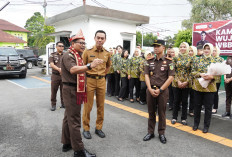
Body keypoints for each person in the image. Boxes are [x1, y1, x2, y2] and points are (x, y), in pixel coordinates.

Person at [61, 29, 102, 157]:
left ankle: (67, 142)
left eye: (84, 43)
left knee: (68, 118)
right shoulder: (69, 55)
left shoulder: (76, 55)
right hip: (71, 90)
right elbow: (73, 70)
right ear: (72, 44)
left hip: (73, 89)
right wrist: (90, 65)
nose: (83, 45)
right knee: (75, 121)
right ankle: (79, 151)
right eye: (80, 43)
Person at [143, 39, 175, 144]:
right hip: (151, 89)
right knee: (151, 112)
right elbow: (146, 75)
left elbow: (170, 78)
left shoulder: (169, 61)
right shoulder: (149, 60)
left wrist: (160, 90)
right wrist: (149, 88)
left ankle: (161, 133)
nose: (155, 48)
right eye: (154, 46)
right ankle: (150, 132)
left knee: (162, 113)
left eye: (158, 46)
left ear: (163, 48)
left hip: (162, 91)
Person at [82, 30, 111, 139]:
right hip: (89, 80)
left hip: (101, 81)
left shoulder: (107, 53)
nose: (100, 40)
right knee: (88, 106)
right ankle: (86, 128)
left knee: (101, 106)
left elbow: (108, 66)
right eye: (98, 37)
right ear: (94, 38)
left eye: (102, 38)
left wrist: (103, 74)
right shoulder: (87, 51)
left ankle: (98, 128)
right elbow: (82, 66)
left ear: (105, 40)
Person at [191, 43, 217, 133]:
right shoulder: (197, 60)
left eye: (208, 48)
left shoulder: (215, 61)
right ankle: (196, 124)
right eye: (205, 48)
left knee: (208, 108)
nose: (206, 50)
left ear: (211, 50)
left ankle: (206, 126)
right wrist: (200, 74)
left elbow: (219, 75)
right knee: (197, 106)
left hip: (210, 88)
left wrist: (212, 77)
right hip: (198, 87)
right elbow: (192, 72)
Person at [171, 42, 192, 126]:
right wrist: (178, 81)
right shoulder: (175, 58)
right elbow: (172, 70)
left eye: (184, 47)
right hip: (176, 83)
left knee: (184, 101)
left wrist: (186, 82)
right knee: (176, 100)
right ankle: (174, 117)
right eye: (181, 47)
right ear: (179, 48)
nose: (182, 48)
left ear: (187, 48)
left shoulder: (191, 59)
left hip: (186, 83)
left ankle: (183, 118)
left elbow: (192, 71)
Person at [49, 41, 65, 111]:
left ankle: (63, 103)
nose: (61, 47)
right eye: (60, 46)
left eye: (62, 46)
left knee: (63, 90)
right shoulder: (52, 55)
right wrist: (59, 69)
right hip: (55, 76)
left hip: (64, 76)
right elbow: (52, 64)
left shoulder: (66, 55)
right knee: (54, 91)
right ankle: (53, 104)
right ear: (56, 47)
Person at [212, 46, 224, 114]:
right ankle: (207, 106)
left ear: (218, 52)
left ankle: (215, 107)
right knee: (208, 94)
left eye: (215, 51)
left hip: (216, 80)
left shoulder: (221, 59)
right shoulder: (209, 58)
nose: (213, 52)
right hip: (208, 79)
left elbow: (223, 70)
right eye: (213, 51)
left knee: (215, 94)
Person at [188, 46, 197, 117]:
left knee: (193, 96)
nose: (190, 52)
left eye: (192, 51)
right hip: (185, 80)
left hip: (194, 81)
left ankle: (191, 110)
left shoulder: (197, 59)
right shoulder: (186, 59)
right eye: (189, 51)